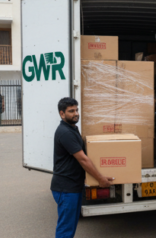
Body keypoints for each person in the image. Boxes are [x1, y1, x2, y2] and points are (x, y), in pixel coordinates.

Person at [53, 97, 113, 238]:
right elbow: (83, 159)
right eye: (71, 111)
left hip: (73, 186)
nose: (76, 113)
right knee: (66, 228)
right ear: (62, 114)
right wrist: (101, 179)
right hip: (66, 188)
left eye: (77, 110)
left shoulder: (72, 129)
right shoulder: (65, 132)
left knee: (71, 225)